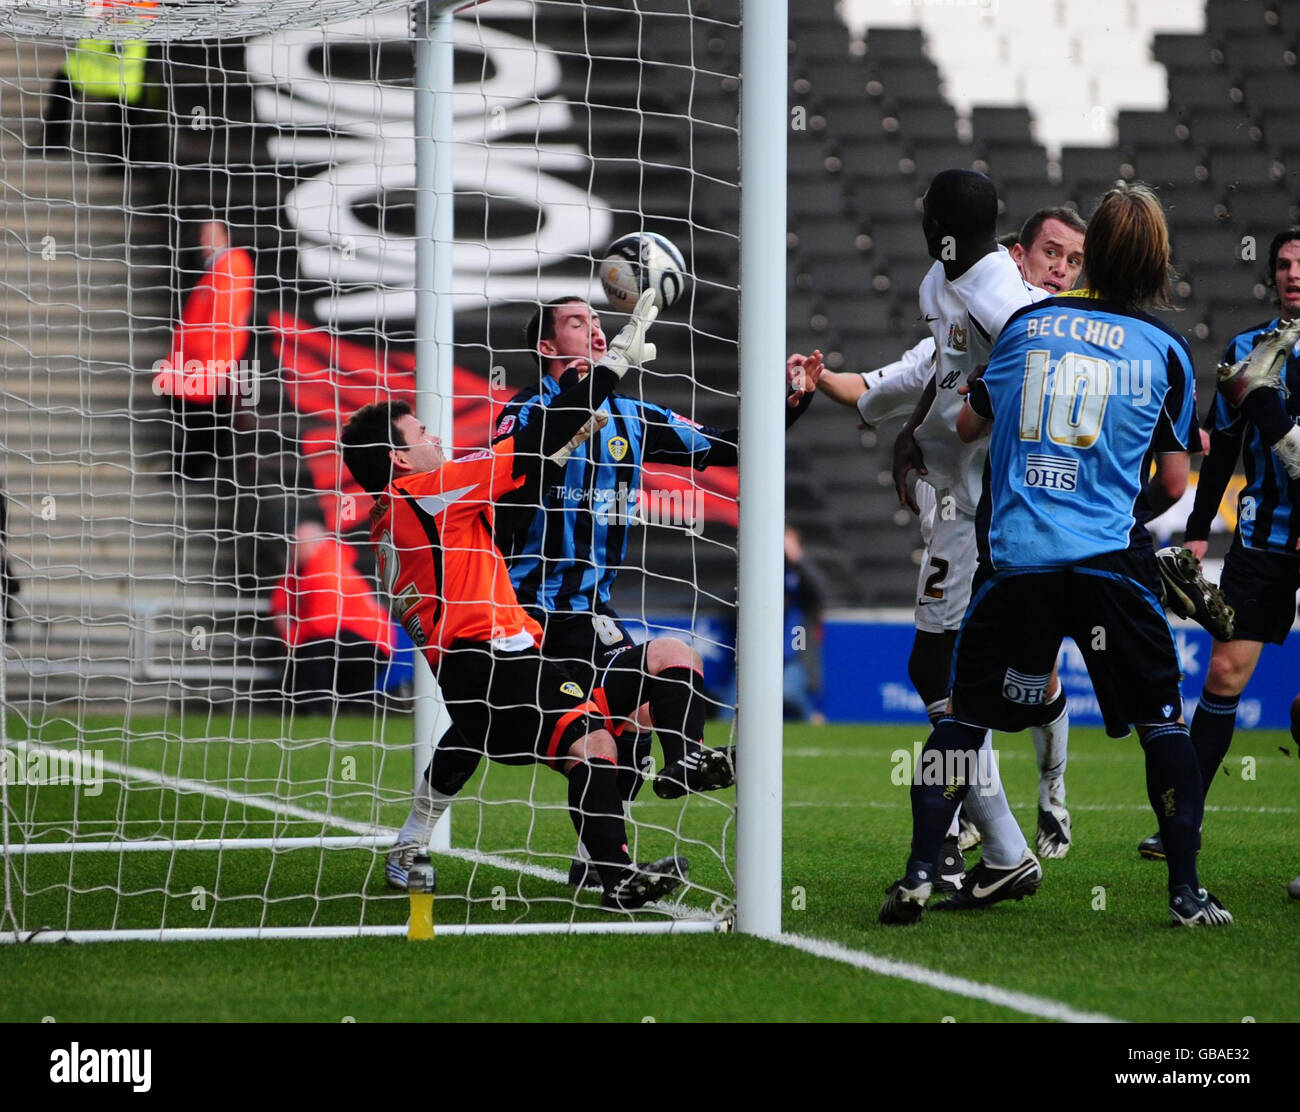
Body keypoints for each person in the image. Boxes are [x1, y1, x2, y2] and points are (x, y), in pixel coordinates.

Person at [879, 181, 1230, 929]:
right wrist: (1116, 514)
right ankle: (1188, 893)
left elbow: (971, 426)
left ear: (1092, 254)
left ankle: (917, 870)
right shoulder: (1165, 351)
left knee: (961, 721)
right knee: (1163, 725)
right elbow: (1174, 480)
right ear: (1158, 264)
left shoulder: (1030, 326)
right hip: (1109, 562)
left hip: (1020, 562)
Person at [386, 292, 819, 890]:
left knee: (645, 703)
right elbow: (515, 478)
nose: (594, 329)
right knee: (478, 728)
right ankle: (413, 839)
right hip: (520, 614)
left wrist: (791, 401)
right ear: (545, 347)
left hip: (591, 614)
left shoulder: (633, 417)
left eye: (596, 320)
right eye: (575, 322)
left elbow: (729, 446)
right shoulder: (527, 413)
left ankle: (646, 807)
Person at [343, 290, 686, 910]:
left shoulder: (393, 517)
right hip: (490, 659)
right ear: (399, 456)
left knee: (597, 741)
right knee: (594, 740)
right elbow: (531, 448)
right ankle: (614, 869)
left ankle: (611, 872)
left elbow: (525, 472)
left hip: (496, 658)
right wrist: (608, 374)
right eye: (421, 432)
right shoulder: (426, 491)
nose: (435, 437)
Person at [800, 206, 1087, 872]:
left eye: (1074, 261)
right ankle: (982, 828)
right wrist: (817, 379)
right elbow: (874, 388)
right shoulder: (954, 344)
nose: (1061, 268)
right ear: (1015, 257)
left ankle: (1026, 812)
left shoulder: (1058, 356)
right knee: (970, 676)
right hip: (971, 532)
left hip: (1009, 534)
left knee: (995, 676)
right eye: (1052, 252)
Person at [1136, 228, 1300, 860]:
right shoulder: (1243, 348)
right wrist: (1201, 527)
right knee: (1226, 671)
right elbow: (1223, 448)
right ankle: (1184, 820)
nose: (1291, 274)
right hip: (1261, 540)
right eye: (1282, 264)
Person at [152, 219, 256, 479]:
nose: (204, 241)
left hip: (209, 360)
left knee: (197, 413)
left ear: (226, 236)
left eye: (211, 234)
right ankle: (196, 464)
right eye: (203, 235)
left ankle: (195, 466)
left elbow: (223, 316)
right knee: (199, 414)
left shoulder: (232, 265)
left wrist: (198, 351)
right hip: (201, 359)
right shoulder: (220, 268)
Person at [267, 521, 396, 713]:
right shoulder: (308, 567)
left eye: (296, 543)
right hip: (367, 641)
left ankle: (313, 708)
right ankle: (321, 707)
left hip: (367, 642)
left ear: (314, 545)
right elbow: (283, 593)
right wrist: (282, 615)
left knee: (313, 649)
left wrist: (289, 634)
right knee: (314, 650)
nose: (292, 549)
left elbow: (322, 625)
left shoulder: (328, 568)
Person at [782, 524, 828, 722]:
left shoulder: (801, 576)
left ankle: (811, 716)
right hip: (762, 655)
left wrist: (798, 559)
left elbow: (820, 592)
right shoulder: (762, 575)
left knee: (788, 692)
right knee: (729, 711)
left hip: (795, 652)